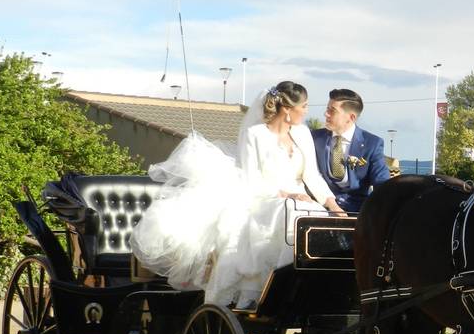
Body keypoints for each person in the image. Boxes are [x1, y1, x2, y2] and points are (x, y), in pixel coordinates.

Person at [131, 81, 344, 310]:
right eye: (304, 106)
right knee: (291, 213)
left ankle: (314, 287)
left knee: (318, 219)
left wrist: (333, 205)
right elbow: (252, 179)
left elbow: (312, 175)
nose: (306, 111)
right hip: (265, 198)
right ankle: (278, 290)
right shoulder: (255, 134)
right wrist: (285, 193)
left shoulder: (302, 134)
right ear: (287, 109)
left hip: (301, 200)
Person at [312, 88, 391, 213]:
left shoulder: (372, 143)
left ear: (351, 117)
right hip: (319, 207)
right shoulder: (314, 138)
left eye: (332, 111)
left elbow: (382, 182)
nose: (326, 114)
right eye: (327, 109)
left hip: (358, 210)